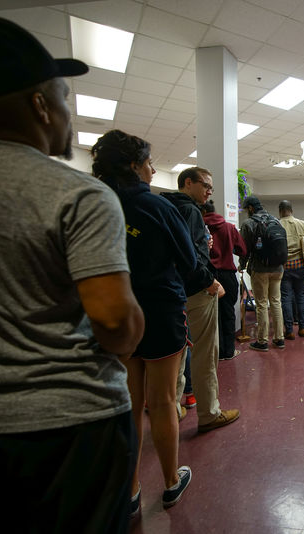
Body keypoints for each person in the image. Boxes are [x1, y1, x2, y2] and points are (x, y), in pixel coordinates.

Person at [0, 14, 145, 532]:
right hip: (69, 428)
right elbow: (114, 321)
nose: (68, 115)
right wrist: (134, 329)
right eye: (65, 98)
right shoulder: (78, 195)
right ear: (41, 105)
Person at [91, 129, 197, 513]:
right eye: (150, 162)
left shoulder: (95, 204)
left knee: (131, 403)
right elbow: (188, 262)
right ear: (134, 165)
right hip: (159, 310)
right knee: (164, 400)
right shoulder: (158, 206)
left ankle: (131, 489)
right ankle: (170, 482)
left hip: (116, 312)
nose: (153, 170)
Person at [162, 168, 240, 433]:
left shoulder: (164, 207)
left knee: (177, 352)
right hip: (196, 290)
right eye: (205, 185)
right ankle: (209, 413)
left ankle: (172, 408)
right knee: (206, 354)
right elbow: (192, 258)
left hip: (172, 291)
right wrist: (210, 282)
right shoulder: (192, 212)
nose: (209, 191)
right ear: (188, 183)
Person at [201, 200, 247, 359]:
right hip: (227, 276)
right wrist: (229, 249)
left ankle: (215, 352)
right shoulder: (229, 227)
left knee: (211, 317)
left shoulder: (199, 227)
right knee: (228, 313)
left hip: (207, 276)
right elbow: (243, 250)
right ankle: (228, 351)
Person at [239, 196, 286, 351]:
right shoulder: (275, 220)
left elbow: (244, 249)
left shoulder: (249, 223)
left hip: (260, 269)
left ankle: (262, 341)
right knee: (276, 302)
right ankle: (279, 339)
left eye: (246, 209)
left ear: (251, 208)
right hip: (278, 268)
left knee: (261, 304)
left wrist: (242, 265)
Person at [278, 200, 304, 339]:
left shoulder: (277, 224)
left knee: (286, 298)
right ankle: (302, 328)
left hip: (284, 266)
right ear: (291, 210)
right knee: (301, 296)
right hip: (300, 265)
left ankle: (289, 330)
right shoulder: (303, 224)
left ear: (280, 211)